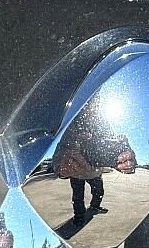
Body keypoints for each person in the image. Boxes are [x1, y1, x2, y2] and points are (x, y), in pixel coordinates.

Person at [54, 96, 137, 226]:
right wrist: (60, 168)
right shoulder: (72, 124)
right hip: (76, 171)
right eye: (90, 100)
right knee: (78, 197)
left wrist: (126, 157)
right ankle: (79, 216)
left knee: (99, 192)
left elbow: (112, 144)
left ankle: (95, 207)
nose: (93, 103)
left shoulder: (103, 123)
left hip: (96, 171)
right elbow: (58, 154)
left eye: (96, 99)